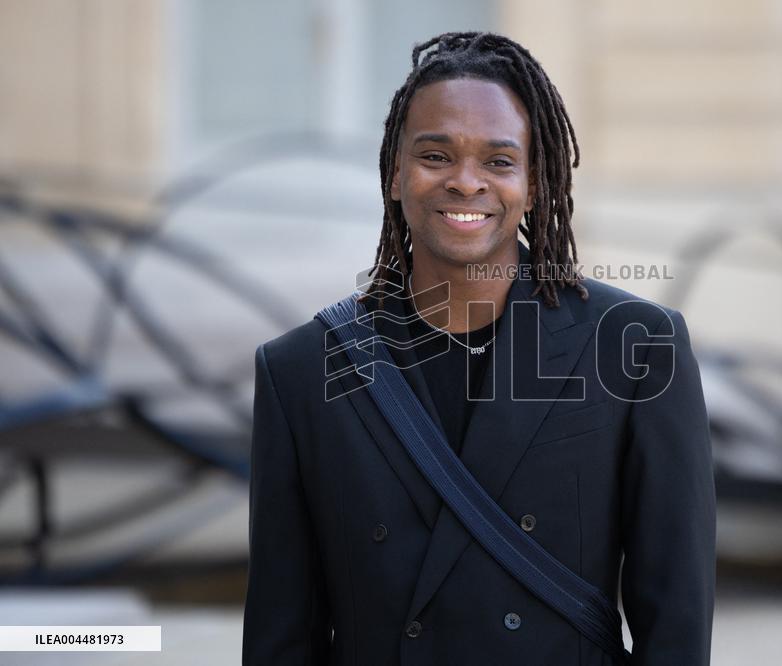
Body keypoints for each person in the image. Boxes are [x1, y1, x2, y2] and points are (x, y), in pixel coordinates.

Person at [243, 31, 716, 666]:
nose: (467, 183)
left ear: (536, 181)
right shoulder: (299, 370)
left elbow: (676, 625)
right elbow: (281, 635)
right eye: (435, 156)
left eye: (498, 161)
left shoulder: (635, 348)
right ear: (394, 174)